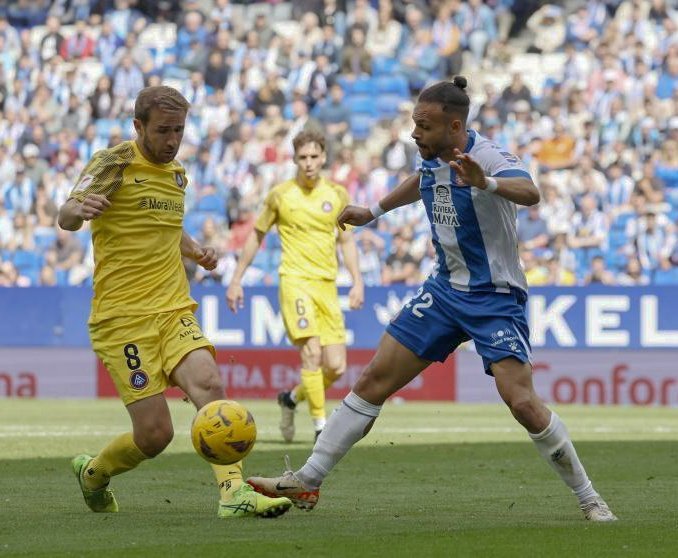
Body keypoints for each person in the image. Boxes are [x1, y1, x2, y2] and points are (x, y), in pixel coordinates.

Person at [246, 78, 617, 522]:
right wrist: (374, 211)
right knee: (372, 381)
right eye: (414, 124)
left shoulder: (488, 157)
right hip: (443, 292)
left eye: (423, 126)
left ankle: (590, 497)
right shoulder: (433, 159)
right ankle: (307, 480)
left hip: (494, 296)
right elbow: (422, 180)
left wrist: (487, 183)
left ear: (454, 125)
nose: (414, 134)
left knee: (521, 402)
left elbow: (530, 191)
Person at [57, 85, 291, 519]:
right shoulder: (115, 162)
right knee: (155, 435)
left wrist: (195, 249)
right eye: (163, 130)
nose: (171, 140)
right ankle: (94, 473)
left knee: (211, 388)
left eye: (179, 131)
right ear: (138, 126)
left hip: (173, 308)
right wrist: (79, 207)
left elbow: (163, 226)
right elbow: (66, 215)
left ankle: (233, 494)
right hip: (122, 319)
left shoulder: (178, 173)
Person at [226, 129, 364, 442]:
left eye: (314, 156)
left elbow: (346, 240)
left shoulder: (337, 195)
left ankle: (291, 398)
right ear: (295, 159)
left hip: (327, 285)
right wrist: (236, 279)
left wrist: (357, 282)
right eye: (303, 157)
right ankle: (320, 427)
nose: (309, 163)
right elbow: (257, 235)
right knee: (312, 353)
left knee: (337, 367)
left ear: (324, 157)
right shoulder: (280, 195)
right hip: (294, 280)